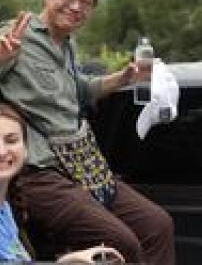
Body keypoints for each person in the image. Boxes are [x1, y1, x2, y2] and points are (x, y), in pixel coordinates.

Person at [0, 0, 175, 264]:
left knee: (157, 224)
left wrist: (123, 78)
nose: (75, 7)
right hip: (38, 175)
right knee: (121, 244)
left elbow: (79, 89)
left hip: (82, 167)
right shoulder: (17, 35)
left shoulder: (66, 44)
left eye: (85, 2)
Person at [0, 102, 124, 263]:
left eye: (11, 140)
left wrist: (67, 260)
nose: (2, 151)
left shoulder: (7, 208)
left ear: (26, 150)